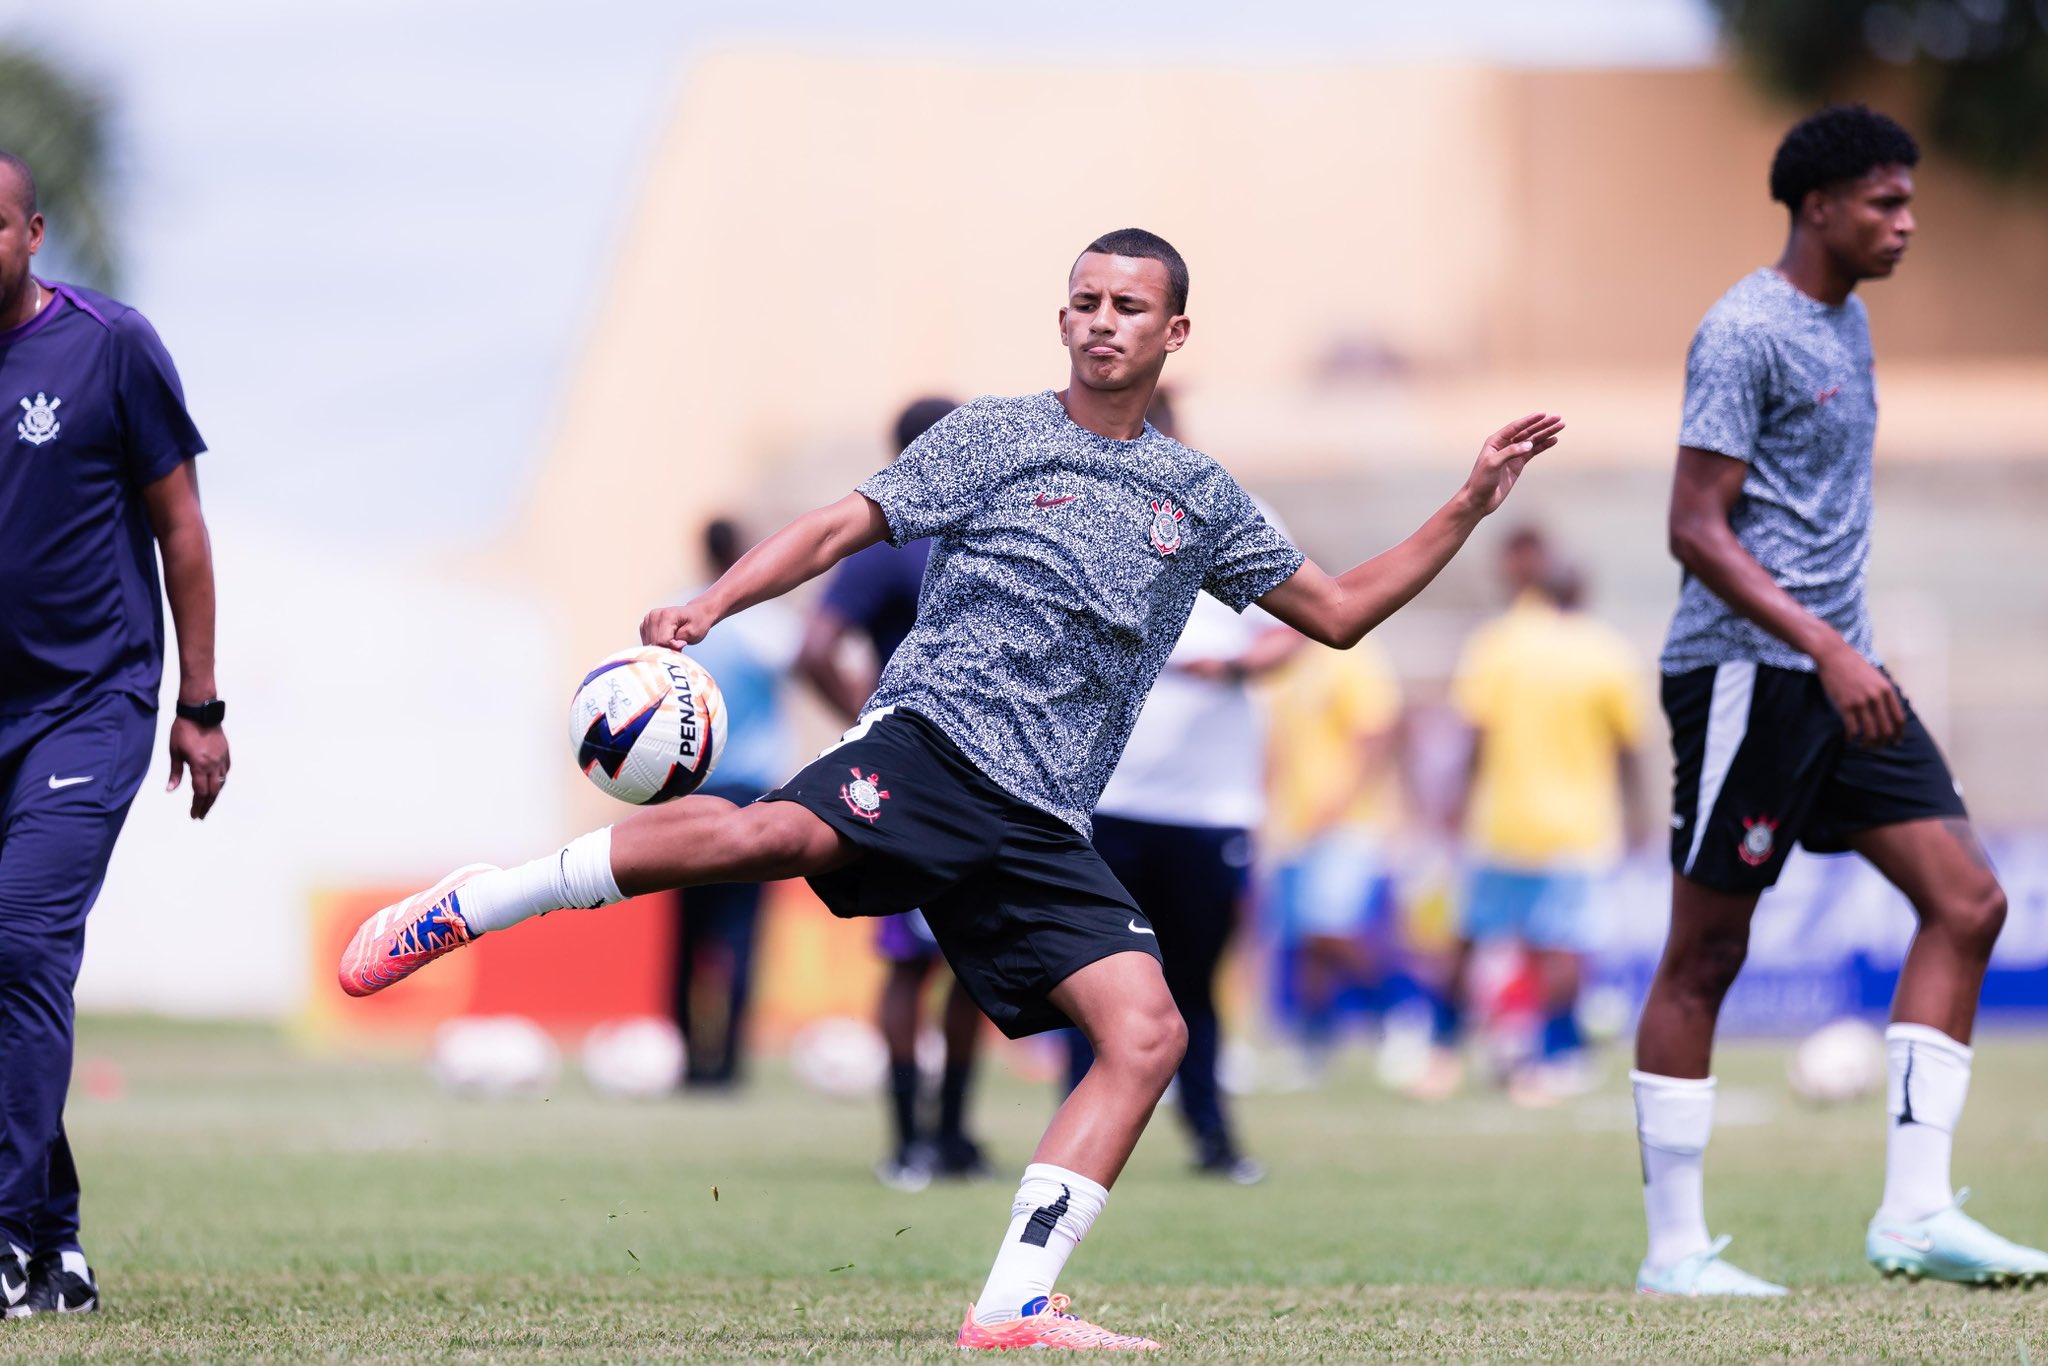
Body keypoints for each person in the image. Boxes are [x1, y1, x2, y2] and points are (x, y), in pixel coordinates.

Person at [340, 227, 1562, 1349]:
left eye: (1128, 306)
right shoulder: (990, 434)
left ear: (1173, 334)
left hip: (1043, 819)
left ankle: (1014, 1301)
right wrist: (716, 604)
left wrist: (1463, 504)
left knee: (1147, 1034)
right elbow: (832, 530)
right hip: (930, 742)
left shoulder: (1200, 500)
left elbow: (1337, 613)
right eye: (1082, 300)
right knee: (772, 835)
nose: (1099, 321)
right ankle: (483, 901)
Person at [1633, 104, 2047, 1297]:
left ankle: (1915, 1215)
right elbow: (1692, 527)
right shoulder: (1741, 330)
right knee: (1703, 952)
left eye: (1906, 201)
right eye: (1884, 202)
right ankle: (1675, 1254)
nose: (1904, 223)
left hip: (1838, 672)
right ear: (1816, 207)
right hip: (1743, 675)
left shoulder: (1849, 322)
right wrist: (1824, 644)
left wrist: (1841, 653)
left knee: (1965, 901)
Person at [0, 150, 228, 1318]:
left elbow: (180, 529)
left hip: (90, 703)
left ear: (33, 231)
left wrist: (199, 704)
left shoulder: (109, 346)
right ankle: (55, 1248)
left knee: (23, 946)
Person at [1058, 388, 1304, 1185]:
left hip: (1206, 804)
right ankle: (1075, 1137)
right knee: (1089, 978)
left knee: (1195, 978)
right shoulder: (1093, 516)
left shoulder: (1232, 514)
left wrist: (1227, 666)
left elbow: (1292, 627)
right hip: (1107, 795)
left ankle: (1211, 1134)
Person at [796, 395, 992, 1189]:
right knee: (928, 964)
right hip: (939, 775)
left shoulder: (950, 536)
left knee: (958, 960)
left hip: (977, 775)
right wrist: (875, 723)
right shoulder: (897, 542)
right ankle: (919, 1135)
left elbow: (815, 650)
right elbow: (814, 649)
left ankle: (940, 1136)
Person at [1413, 542, 1644, 1106]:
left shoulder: (1498, 644)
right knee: (1561, 949)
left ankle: (1440, 1057)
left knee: (1468, 940)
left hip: (1501, 822)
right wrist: (1638, 814)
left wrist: (1454, 802)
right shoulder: (1605, 652)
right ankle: (1544, 1067)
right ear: (1582, 594)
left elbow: (1475, 733)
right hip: (1577, 827)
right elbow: (1627, 749)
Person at [667, 518, 800, 1088]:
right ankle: (730, 1065)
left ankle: (689, 1060)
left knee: (687, 935)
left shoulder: (674, 620)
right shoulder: (767, 626)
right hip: (750, 793)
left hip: (685, 788)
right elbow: (816, 658)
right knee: (740, 932)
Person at [1260, 620, 1403, 1082]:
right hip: (1295, 825)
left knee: (1330, 932)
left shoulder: (1349, 652)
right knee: (1305, 943)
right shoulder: (1286, 661)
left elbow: (1378, 732)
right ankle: (1314, 1047)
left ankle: (1403, 1011)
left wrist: (1339, 804)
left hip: (1346, 825)